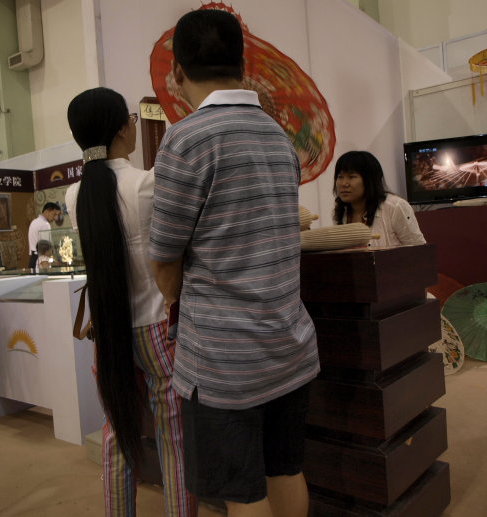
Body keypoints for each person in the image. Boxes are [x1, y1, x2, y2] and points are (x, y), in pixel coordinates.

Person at [148, 10, 319, 517]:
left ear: (177, 70)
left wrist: (181, 296)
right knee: (285, 470)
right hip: (289, 345)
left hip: (224, 361)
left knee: (240, 494)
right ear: (244, 65)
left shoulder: (185, 139)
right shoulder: (276, 136)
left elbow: (164, 261)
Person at [65, 87, 197, 517]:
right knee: (173, 438)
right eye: (132, 119)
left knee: (117, 433)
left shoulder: (74, 195)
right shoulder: (146, 183)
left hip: (110, 332)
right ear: (123, 127)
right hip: (157, 326)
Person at [333, 150, 426, 247]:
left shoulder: (395, 207)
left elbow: (419, 252)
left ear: (370, 180)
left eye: (351, 177)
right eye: (340, 177)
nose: (344, 184)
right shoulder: (340, 212)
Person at [27, 202, 60, 272]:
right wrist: (53, 260)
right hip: (41, 259)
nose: (55, 218)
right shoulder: (45, 224)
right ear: (47, 211)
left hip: (33, 258)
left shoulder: (34, 221)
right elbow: (46, 247)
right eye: (54, 214)